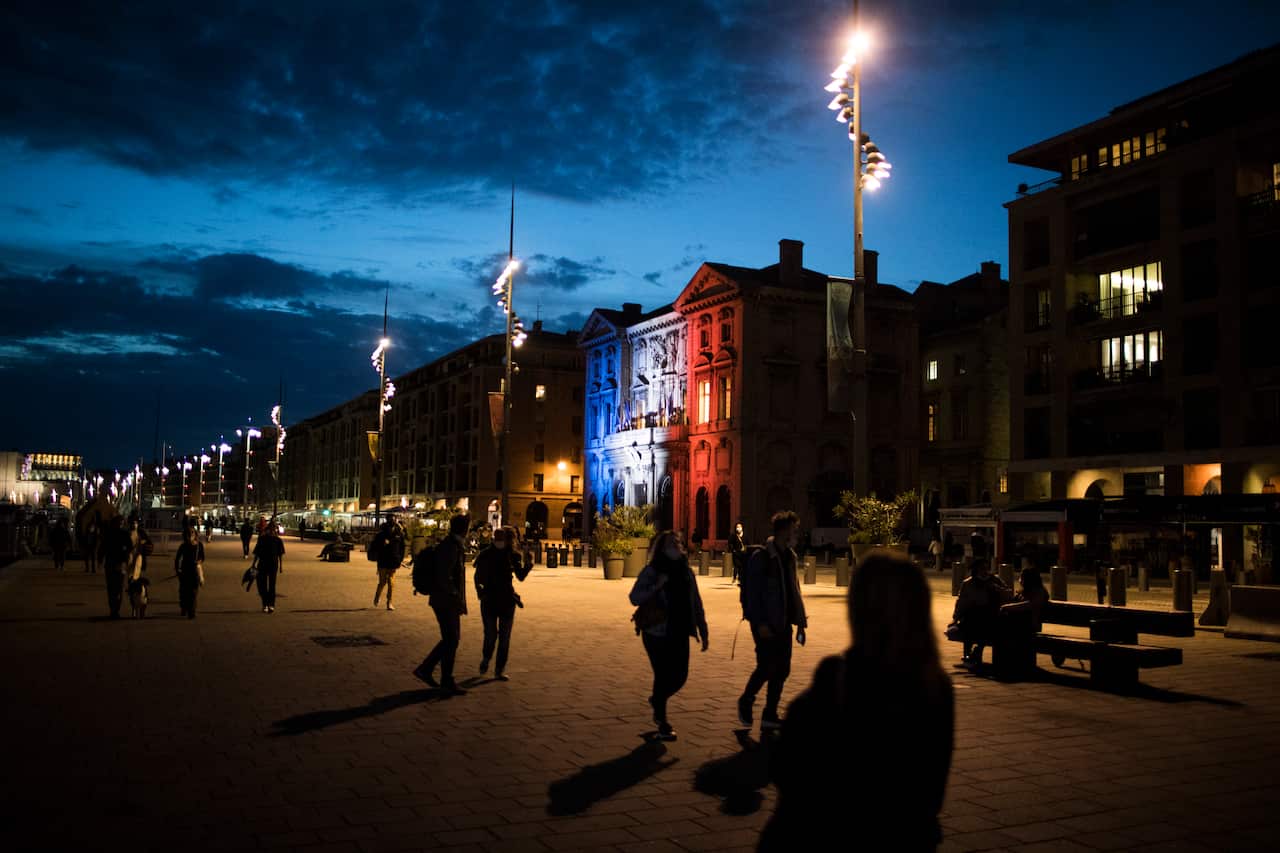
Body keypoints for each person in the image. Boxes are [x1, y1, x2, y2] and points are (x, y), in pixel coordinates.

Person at [759, 553, 954, 851]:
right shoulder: (936, 687)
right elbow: (931, 790)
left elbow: (788, 769)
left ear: (860, 612)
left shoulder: (836, 682)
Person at [628, 530, 709, 741]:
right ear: (662, 548)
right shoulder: (653, 571)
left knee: (681, 675)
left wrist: (703, 628)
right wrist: (657, 585)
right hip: (656, 631)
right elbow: (635, 597)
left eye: (678, 542)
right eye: (671, 543)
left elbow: (697, 602)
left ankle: (657, 700)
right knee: (663, 675)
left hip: (680, 629)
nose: (676, 545)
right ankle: (662, 721)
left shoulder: (686, 571)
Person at [738, 510, 808, 732]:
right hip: (765, 624)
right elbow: (752, 595)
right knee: (766, 667)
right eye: (794, 530)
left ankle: (770, 714)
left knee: (782, 669)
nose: (797, 534)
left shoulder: (790, 556)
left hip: (784, 623)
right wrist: (759, 623)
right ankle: (746, 700)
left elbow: (794, 591)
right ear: (784, 531)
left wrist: (800, 623)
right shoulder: (762, 558)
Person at [414, 515, 470, 695]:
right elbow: (444, 576)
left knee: (450, 639)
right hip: (445, 601)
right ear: (464, 529)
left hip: (444, 600)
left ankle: (436, 674)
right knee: (452, 639)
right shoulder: (451, 548)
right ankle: (435, 674)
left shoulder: (452, 545)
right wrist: (455, 595)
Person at [473, 526, 533, 680]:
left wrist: (481, 593)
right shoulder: (505, 554)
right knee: (498, 636)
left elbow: (477, 577)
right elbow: (520, 576)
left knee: (495, 635)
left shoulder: (495, 554)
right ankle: (493, 665)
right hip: (500, 600)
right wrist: (528, 563)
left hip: (496, 600)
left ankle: (492, 664)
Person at [952, 559, 1009, 669]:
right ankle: (971, 655)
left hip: (991, 614)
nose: (985, 571)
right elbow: (961, 602)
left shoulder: (995, 580)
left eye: (985, 568)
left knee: (984, 625)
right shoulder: (968, 583)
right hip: (972, 615)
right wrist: (955, 618)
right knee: (968, 624)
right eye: (982, 568)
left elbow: (1007, 594)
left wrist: (999, 590)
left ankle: (975, 653)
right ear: (976, 570)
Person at [100, 516, 132, 618]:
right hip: (119, 564)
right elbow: (130, 547)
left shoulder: (108, 534)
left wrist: (100, 559)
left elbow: (102, 548)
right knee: (118, 588)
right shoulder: (123, 534)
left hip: (111, 564)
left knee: (112, 588)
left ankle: (113, 609)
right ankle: (115, 609)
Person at [371, 519, 406, 611]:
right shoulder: (381, 535)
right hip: (383, 561)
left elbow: (402, 548)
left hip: (393, 561)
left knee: (391, 583)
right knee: (383, 582)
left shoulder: (399, 534)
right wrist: (382, 544)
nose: (392, 527)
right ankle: (377, 596)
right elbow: (374, 547)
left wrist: (400, 559)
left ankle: (389, 602)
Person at [252, 521, 286, 613]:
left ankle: (268, 604)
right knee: (267, 585)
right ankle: (268, 604)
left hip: (266, 564)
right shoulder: (267, 539)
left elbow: (257, 553)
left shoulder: (274, 540)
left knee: (267, 585)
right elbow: (258, 552)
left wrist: (281, 566)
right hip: (269, 564)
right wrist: (253, 564)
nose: (272, 531)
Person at [174, 525, 206, 618]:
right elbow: (177, 559)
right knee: (184, 592)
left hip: (194, 572)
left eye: (192, 533)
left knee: (193, 592)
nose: (190, 535)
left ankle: (191, 610)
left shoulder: (199, 545)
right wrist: (178, 570)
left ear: (195, 534)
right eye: (188, 533)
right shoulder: (183, 546)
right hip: (184, 571)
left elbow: (202, 557)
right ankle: (184, 607)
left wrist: (199, 561)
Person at [1014, 567, 1050, 632]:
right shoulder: (1024, 591)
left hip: (1030, 626)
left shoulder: (1039, 592)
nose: (1019, 580)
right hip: (1021, 624)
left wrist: (1008, 607)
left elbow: (1031, 604)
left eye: (1021, 577)